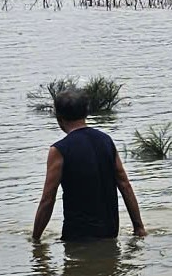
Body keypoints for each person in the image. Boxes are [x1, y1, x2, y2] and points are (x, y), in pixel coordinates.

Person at [32, 87, 147, 242]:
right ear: (86, 113)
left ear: (59, 118)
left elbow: (47, 199)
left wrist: (35, 240)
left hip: (77, 235)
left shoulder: (59, 150)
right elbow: (124, 185)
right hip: (110, 231)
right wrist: (139, 227)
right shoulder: (106, 140)